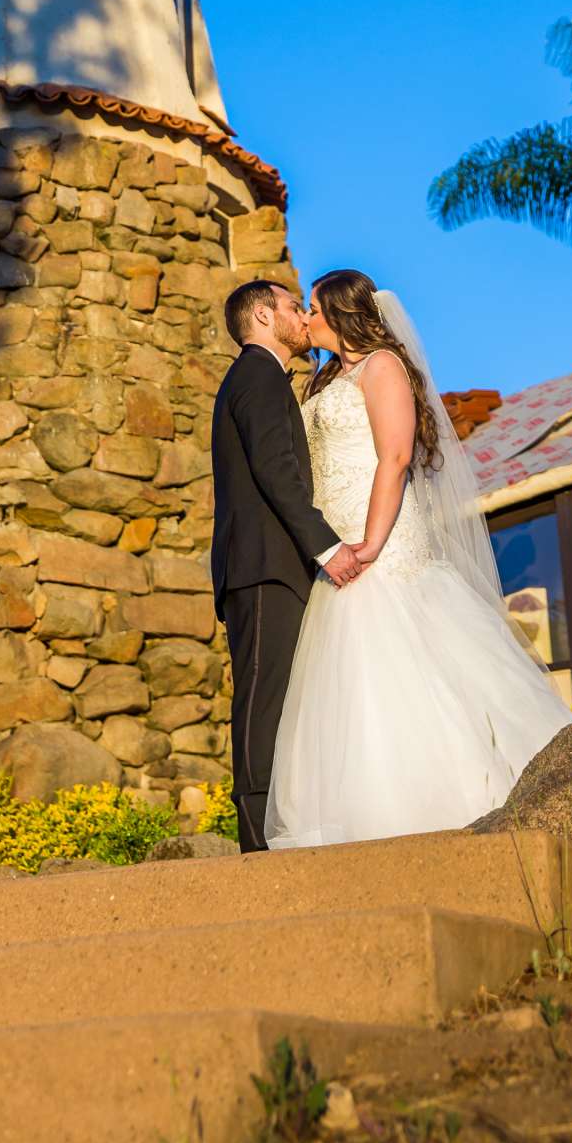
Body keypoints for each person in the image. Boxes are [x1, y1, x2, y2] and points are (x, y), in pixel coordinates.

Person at [265, 269, 572, 847]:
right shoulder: (330, 378)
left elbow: (397, 455)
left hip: (379, 539)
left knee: (402, 661)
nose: (306, 318)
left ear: (340, 312)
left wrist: (374, 542)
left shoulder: (383, 366)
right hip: (337, 543)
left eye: (313, 307)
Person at [209, 278, 363, 850]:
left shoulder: (264, 379)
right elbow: (276, 470)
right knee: (261, 698)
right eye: (294, 307)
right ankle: (257, 839)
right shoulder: (256, 375)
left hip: (273, 566)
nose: (304, 318)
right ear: (263, 317)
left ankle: (281, 825)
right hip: (261, 567)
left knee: (282, 699)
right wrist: (326, 547)